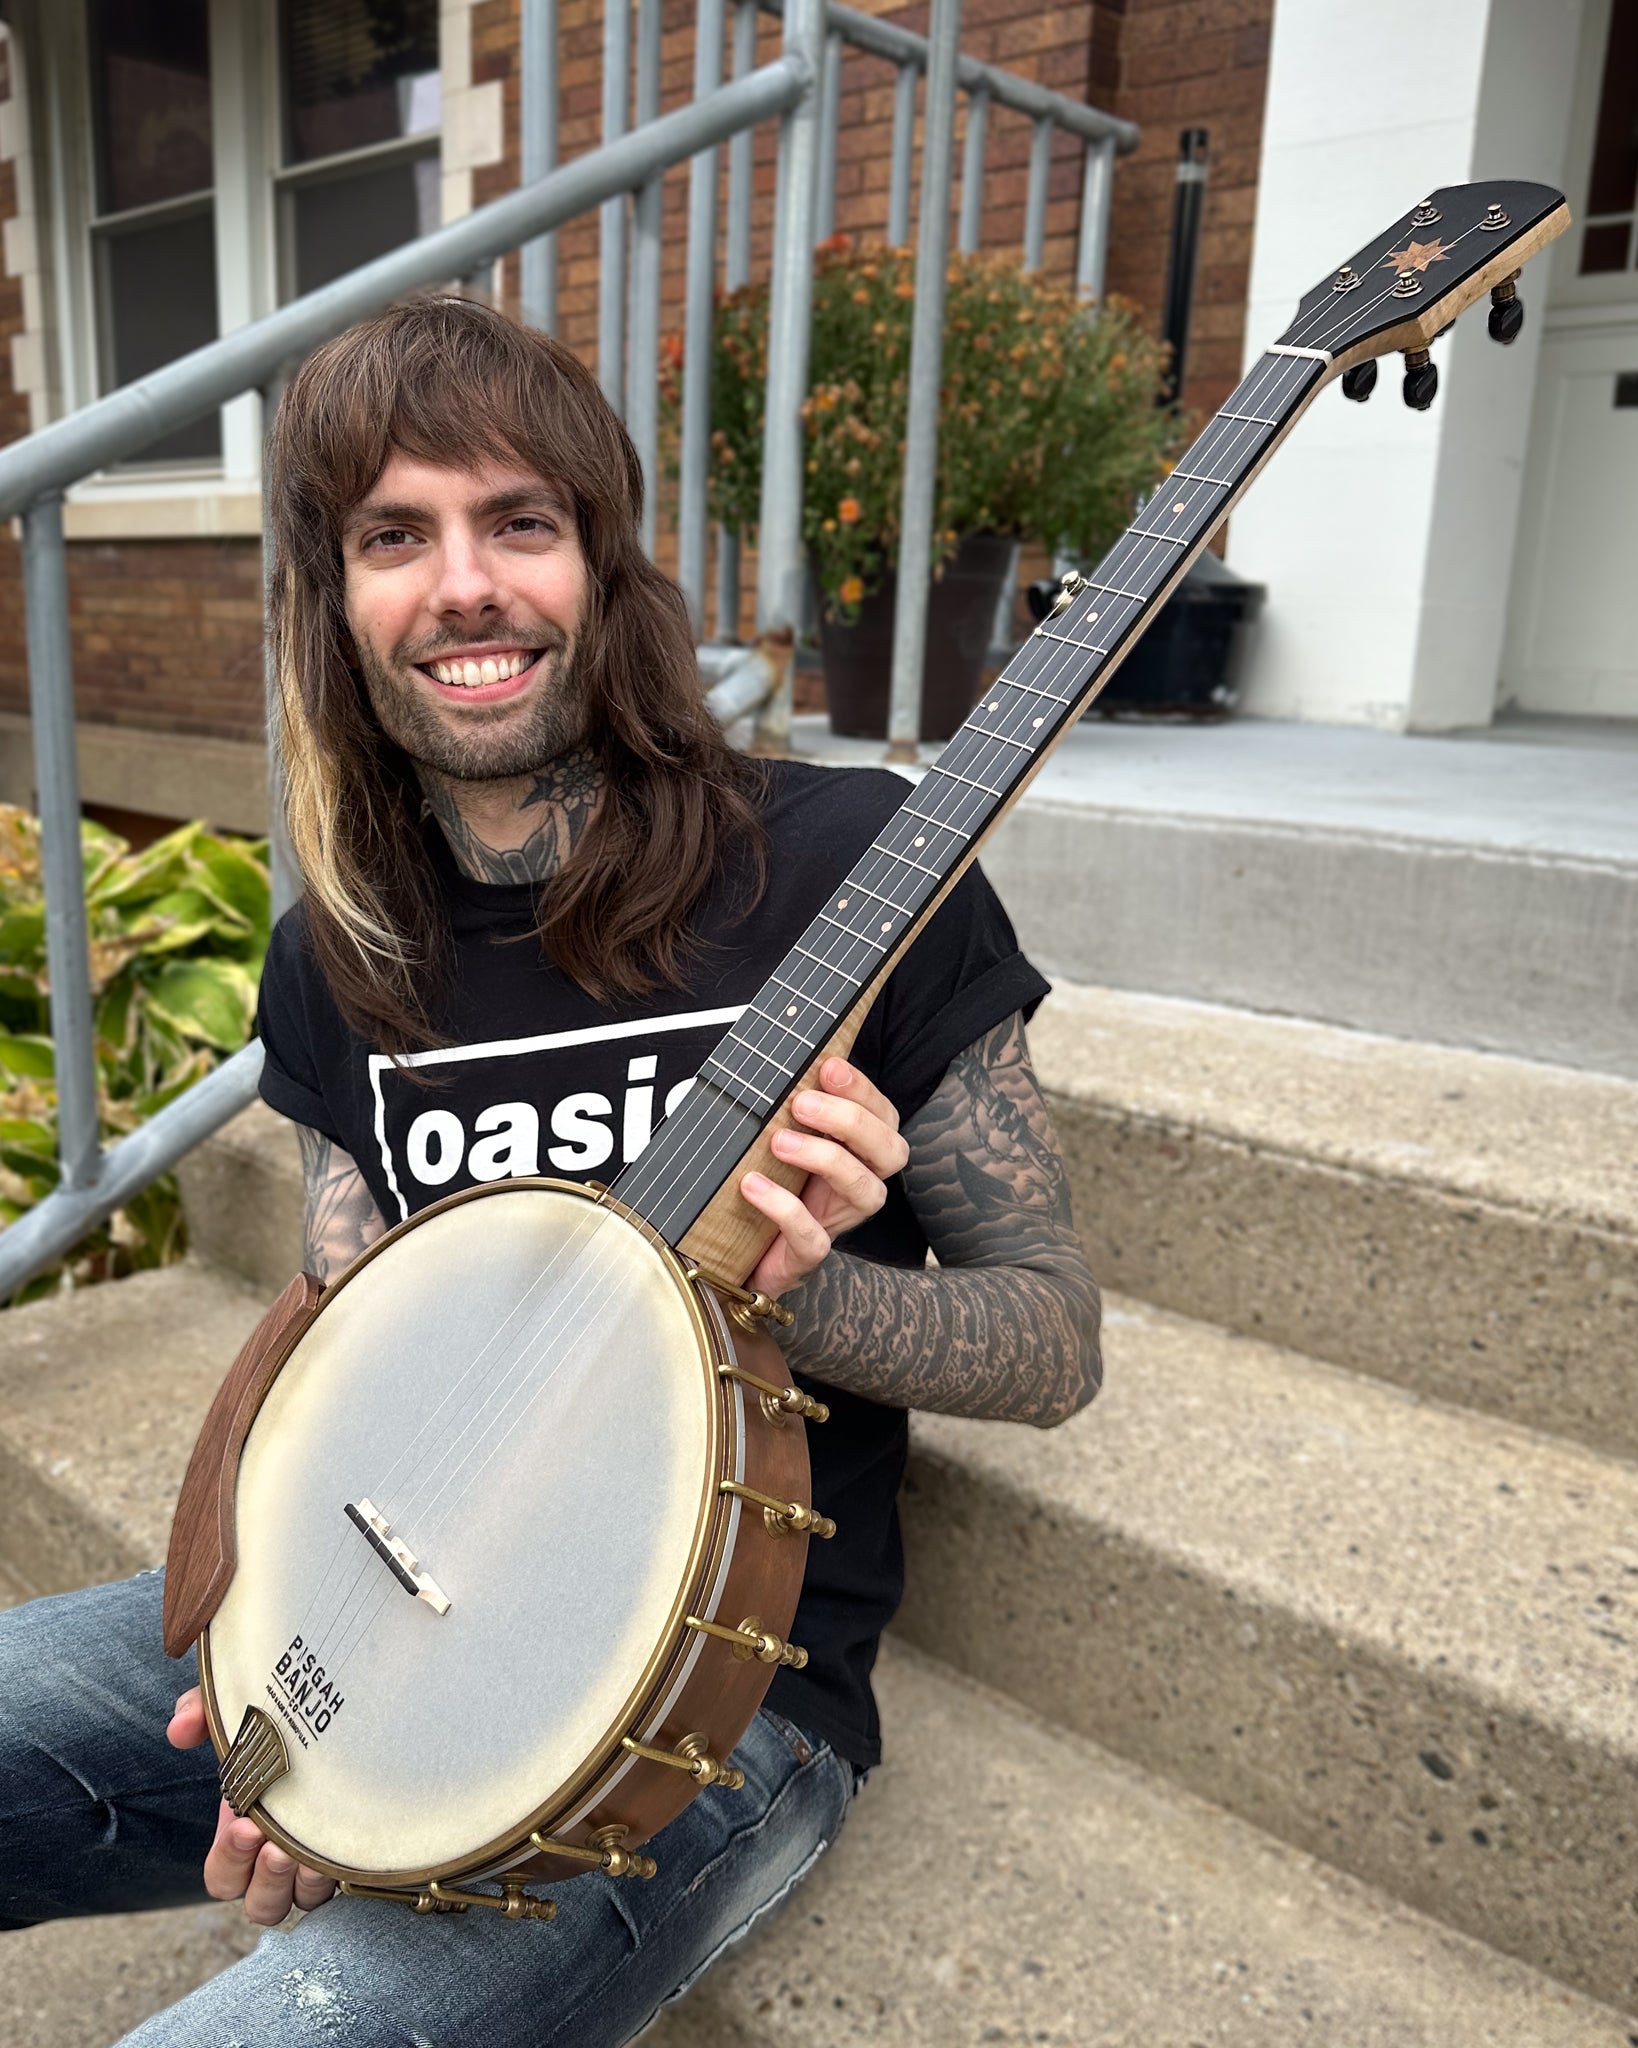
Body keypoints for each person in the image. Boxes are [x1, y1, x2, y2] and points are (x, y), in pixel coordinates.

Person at [0, 296, 1100, 2045]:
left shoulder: (852, 865)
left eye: (518, 520)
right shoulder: (337, 953)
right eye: (392, 536)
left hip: (718, 1705)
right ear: (333, 596)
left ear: (602, 561)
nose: (463, 587)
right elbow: (341, 1340)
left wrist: (799, 1291)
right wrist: (277, 1655)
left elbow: (1051, 1346)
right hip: (391, 1575)